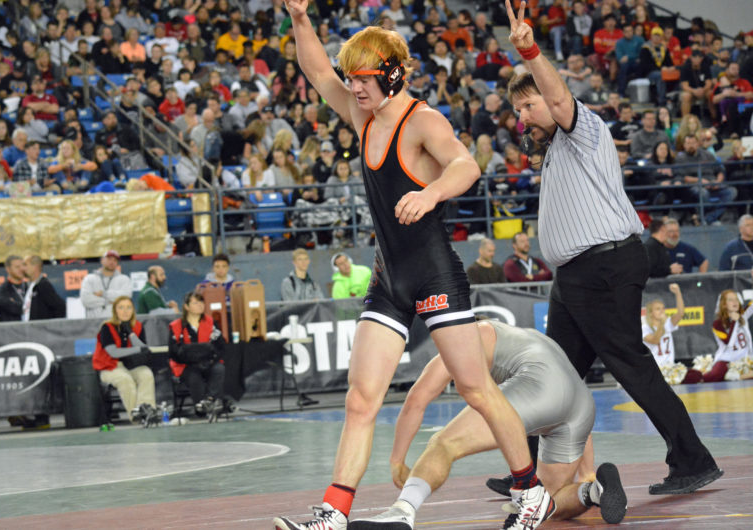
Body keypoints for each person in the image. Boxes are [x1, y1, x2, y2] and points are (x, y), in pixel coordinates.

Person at [273, 6, 549, 530]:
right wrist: (300, 19)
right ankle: (334, 512)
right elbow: (316, 73)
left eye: (363, 80)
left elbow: (466, 164)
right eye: (351, 79)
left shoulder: (423, 120)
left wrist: (431, 193)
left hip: (434, 272)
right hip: (389, 278)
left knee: (475, 390)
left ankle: (530, 491)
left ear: (392, 75)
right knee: (361, 399)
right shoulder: (363, 115)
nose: (353, 89)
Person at [504, 0, 721, 496]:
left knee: (629, 364)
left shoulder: (584, 129)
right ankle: (528, 473)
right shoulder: (555, 150)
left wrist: (532, 51)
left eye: (528, 106)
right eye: (517, 110)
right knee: (553, 374)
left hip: (602, 265)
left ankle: (692, 458)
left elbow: (559, 99)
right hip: (576, 276)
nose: (522, 118)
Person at [350, 319, 627, 529]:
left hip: (540, 387)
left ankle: (403, 510)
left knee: (443, 444)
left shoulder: (462, 341)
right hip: (581, 403)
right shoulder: (517, 337)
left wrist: (398, 459)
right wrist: (587, 472)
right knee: (547, 499)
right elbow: (568, 394)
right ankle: (594, 492)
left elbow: (416, 400)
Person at [92, 295, 156, 422]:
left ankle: (146, 411)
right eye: (121, 308)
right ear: (115, 311)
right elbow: (114, 352)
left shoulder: (137, 326)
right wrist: (138, 349)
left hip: (130, 365)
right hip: (109, 367)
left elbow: (144, 348)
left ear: (133, 310)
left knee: (146, 374)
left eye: (129, 307)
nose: (125, 311)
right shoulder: (107, 327)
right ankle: (136, 416)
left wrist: (131, 333)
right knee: (125, 379)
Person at [168, 291, 226, 416]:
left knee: (219, 369)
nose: (200, 305)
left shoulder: (211, 323)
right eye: (195, 302)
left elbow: (220, 346)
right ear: (186, 307)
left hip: (208, 362)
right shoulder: (176, 326)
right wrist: (192, 358)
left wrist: (210, 359)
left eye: (201, 302)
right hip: (186, 365)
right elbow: (173, 352)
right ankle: (200, 408)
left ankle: (210, 401)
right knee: (194, 375)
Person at [642, 284, 703, 385]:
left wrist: (678, 293)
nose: (662, 311)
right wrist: (662, 323)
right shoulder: (645, 328)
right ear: (651, 313)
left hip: (670, 367)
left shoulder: (667, 324)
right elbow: (655, 340)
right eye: (658, 309)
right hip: (656, 369)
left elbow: (680, 313)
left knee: (697, 375)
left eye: (663, 308)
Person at [703, 288, 753, 382]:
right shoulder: (717, 324)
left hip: (745, 357)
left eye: (736, 299)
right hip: (727, 358)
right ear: (724, 304)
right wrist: (735, 321)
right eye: (730, 300)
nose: (735, 302)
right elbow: (728, 343)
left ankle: (739, 376)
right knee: (714, 376)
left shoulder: (743, 315)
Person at [79, 250, 133, 319]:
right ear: (102, 260)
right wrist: (109, 301)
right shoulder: (89, 278)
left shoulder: (124, 279)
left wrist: (103, 294)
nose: (112, 262)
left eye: (115, 260)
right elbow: (86, 300)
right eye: (109, 259)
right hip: (94, 324)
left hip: (116, 323)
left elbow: (126, 297)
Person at [23, 255, 65, 320]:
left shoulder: (43, 285)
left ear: (35, 267)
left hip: (40, 329)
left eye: (25, 265)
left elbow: (60, 307)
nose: (23, 268)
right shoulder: (30, 286)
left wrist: (50, 327)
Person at [0, 255, 27, 322]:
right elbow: (12, 308)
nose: (21, 269)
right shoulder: (2, 289)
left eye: (23, 266)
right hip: (10, 330)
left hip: (30, 329)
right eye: (17, 267)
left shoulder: (29, 287)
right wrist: (27, 307)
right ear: (8, 269)